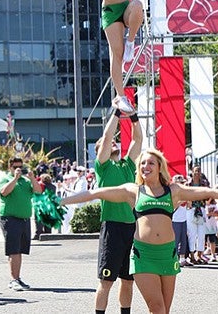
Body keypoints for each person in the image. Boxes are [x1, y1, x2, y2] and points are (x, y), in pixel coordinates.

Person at [61, 148, 218, 314]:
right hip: (144, 256)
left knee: (164, 310)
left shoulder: (173, 191)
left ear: (159, 166)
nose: (146, 166)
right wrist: (60, 201)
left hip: (168, 254)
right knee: (157, 308)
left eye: (151, 162)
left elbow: (209, 192)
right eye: (142, 163)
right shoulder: (133, 191)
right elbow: (95, 193)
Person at [62, 0, 159, 114]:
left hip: (126, 9)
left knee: (138, 4)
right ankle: (120, 96)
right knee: (117, 54)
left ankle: (131, 41)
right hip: (110, 12)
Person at [92, 110, 143, 314]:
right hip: (112, 227)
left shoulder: (128, 165)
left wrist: (133, 115)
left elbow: (138, 138)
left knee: (128, 280)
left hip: (131, 226)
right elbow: (106, 138)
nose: (113, 143)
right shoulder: (102, 167)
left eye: (115, 143)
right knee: (106, 281)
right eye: (107, 145)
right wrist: (116, 112)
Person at [0, 156, 43, 291]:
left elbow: (38, 191)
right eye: (15, 167)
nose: (18, 169)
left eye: (20, 167)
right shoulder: (4, 178)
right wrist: (15, 179)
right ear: (9, 167)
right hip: (10, 218)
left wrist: (32, 178)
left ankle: (17, 278)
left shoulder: (26, 181)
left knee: (20, 251)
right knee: (13, 250)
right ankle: (13, 279)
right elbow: (4, 192)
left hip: (24, 219)